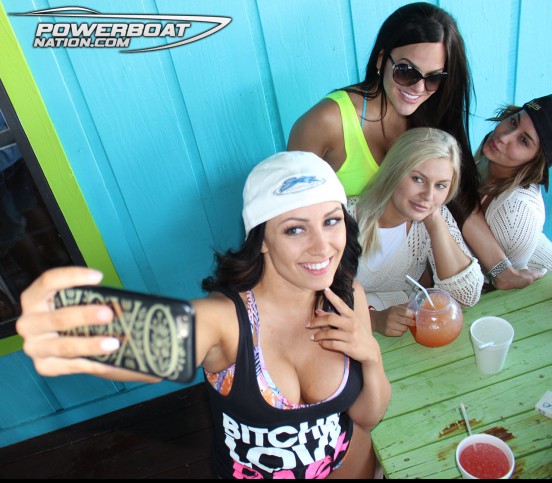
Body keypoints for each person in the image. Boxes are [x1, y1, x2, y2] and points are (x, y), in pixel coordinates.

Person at [16, 151, 391, 479]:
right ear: (261, 240)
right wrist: (74, 331)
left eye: (331, 221)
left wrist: (371, 356)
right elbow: (164, 337)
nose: (322, 246)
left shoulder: (347, 296)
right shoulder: (226, 320)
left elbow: (368, 417)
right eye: (295, 229)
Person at [287, 1, 541, 291]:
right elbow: (288, 218)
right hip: (336, 283)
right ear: (381, 59)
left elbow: (460, 201)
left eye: (433, 78)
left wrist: (502, 270)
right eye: (407, 72)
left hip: (402, 283)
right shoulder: (327, 122)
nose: (418, 89)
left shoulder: (430, 119)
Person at [349, 128, 484, 337]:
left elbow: (467, 296)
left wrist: (435, 222)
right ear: (394, 171)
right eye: (418, 179)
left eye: (441, 185)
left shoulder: (433, 216)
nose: (428, 195)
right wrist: (373, 320)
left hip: (403, 335)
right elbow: (309, 298)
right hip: (346, 332)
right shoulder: (343, 217)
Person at [473, 94, 552, 285]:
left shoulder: (516, 212)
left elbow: (503, 285)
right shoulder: (490, 156)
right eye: (514, 122)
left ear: (536, 161)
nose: (504, 137)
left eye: (524, 141)